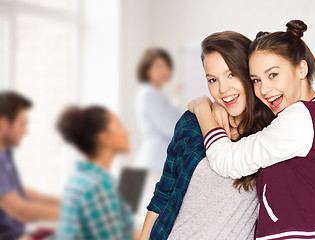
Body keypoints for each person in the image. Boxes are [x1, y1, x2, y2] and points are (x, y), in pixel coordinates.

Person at [140, 30, 315, 240]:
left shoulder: (276, 129)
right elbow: (163, 194)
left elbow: (292, 199)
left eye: (231, 74)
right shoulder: (192, 124)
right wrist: (202, 107)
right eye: (212, 80)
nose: (223, 89)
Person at [56, 105, 134, 240]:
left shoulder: (79, 179)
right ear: (105, 138)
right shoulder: (98, 187)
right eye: (119, 125)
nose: (126, 132)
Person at [0, 91, 60, 240]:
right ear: (3, 123)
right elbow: (21, 211)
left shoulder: (6, 153)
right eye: (22, 124)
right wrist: (76, 213)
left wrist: (64, 201)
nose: (26, 131)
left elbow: (16, 191)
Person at [136, 48, 180, 172]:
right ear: (148, 70)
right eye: (159, 67)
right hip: (154, 162)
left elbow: (171, 119)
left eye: (166, 66)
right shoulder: (149, 94)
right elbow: (171, 128)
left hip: (155, 161)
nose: (165, 70)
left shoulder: (155, 93)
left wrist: (177, 97)